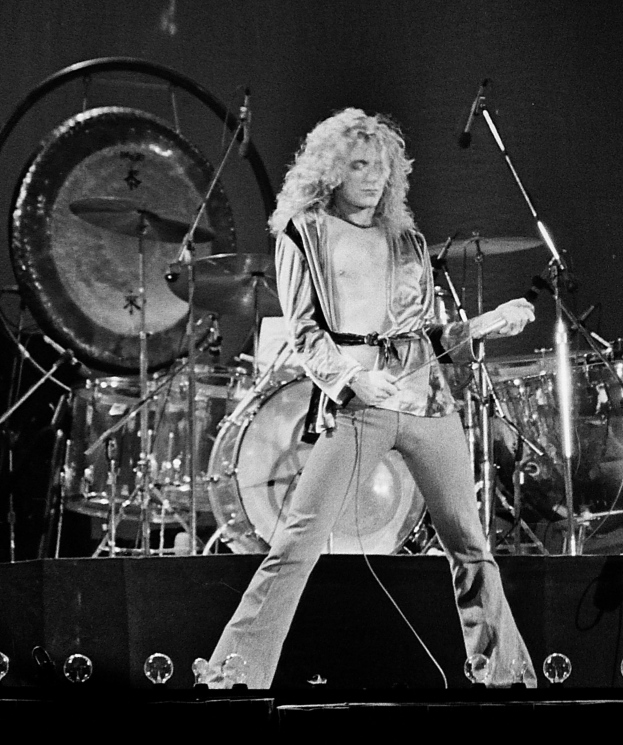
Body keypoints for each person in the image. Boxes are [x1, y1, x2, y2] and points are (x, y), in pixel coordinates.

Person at [207, 109, 538, 688]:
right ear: (332, 170)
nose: (373, 178)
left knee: (469, 543)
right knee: (298, 542)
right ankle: (233, 675)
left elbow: (428, 337)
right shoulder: (304, 231)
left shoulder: (407, 241)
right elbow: (305, 333)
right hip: (358, 404)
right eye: (360, 165)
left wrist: (485, 325)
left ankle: (506, 677)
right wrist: (352, 380)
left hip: (426, 403)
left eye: (382, 168)